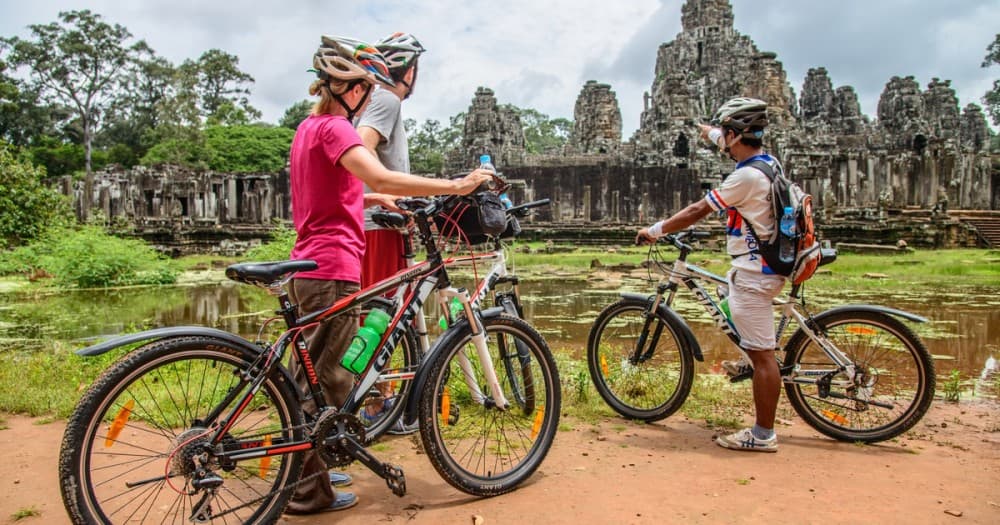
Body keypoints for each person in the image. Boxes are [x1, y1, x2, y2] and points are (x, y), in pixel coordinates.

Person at [283, 35, 492, 515]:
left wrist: (376, 202)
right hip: (333, 267)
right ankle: (306, 493)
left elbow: (335, 193)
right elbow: (375, 174)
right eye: (364, 86)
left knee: (308, 379)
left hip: (308, 261)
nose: (366, 97)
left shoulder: (306, 129)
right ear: (348, 87)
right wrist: (457, 184)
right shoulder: (336, 128)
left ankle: (305, 470)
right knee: (331, 380)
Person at [636, 97, 786, 453]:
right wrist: (709, 132)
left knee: (765, 357)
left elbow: (698, 209)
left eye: (727, 136)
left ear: (736, 136)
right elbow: (729, 141)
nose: (724, 143)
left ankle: (763, 434)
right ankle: (749, 360)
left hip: (757, 272)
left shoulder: (745, 177)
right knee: (726, 299)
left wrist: (655, 230)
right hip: (752, 269)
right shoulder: (766, 162)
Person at [354, 32, 426, 436]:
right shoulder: (386, 99)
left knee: (378, 314)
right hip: (378, 228)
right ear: (410, 70)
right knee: (381, 316)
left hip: (378, 225)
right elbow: (362, 149)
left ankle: (382, 399)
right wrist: (381, 196)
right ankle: (378, 404)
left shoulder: (370, 100)